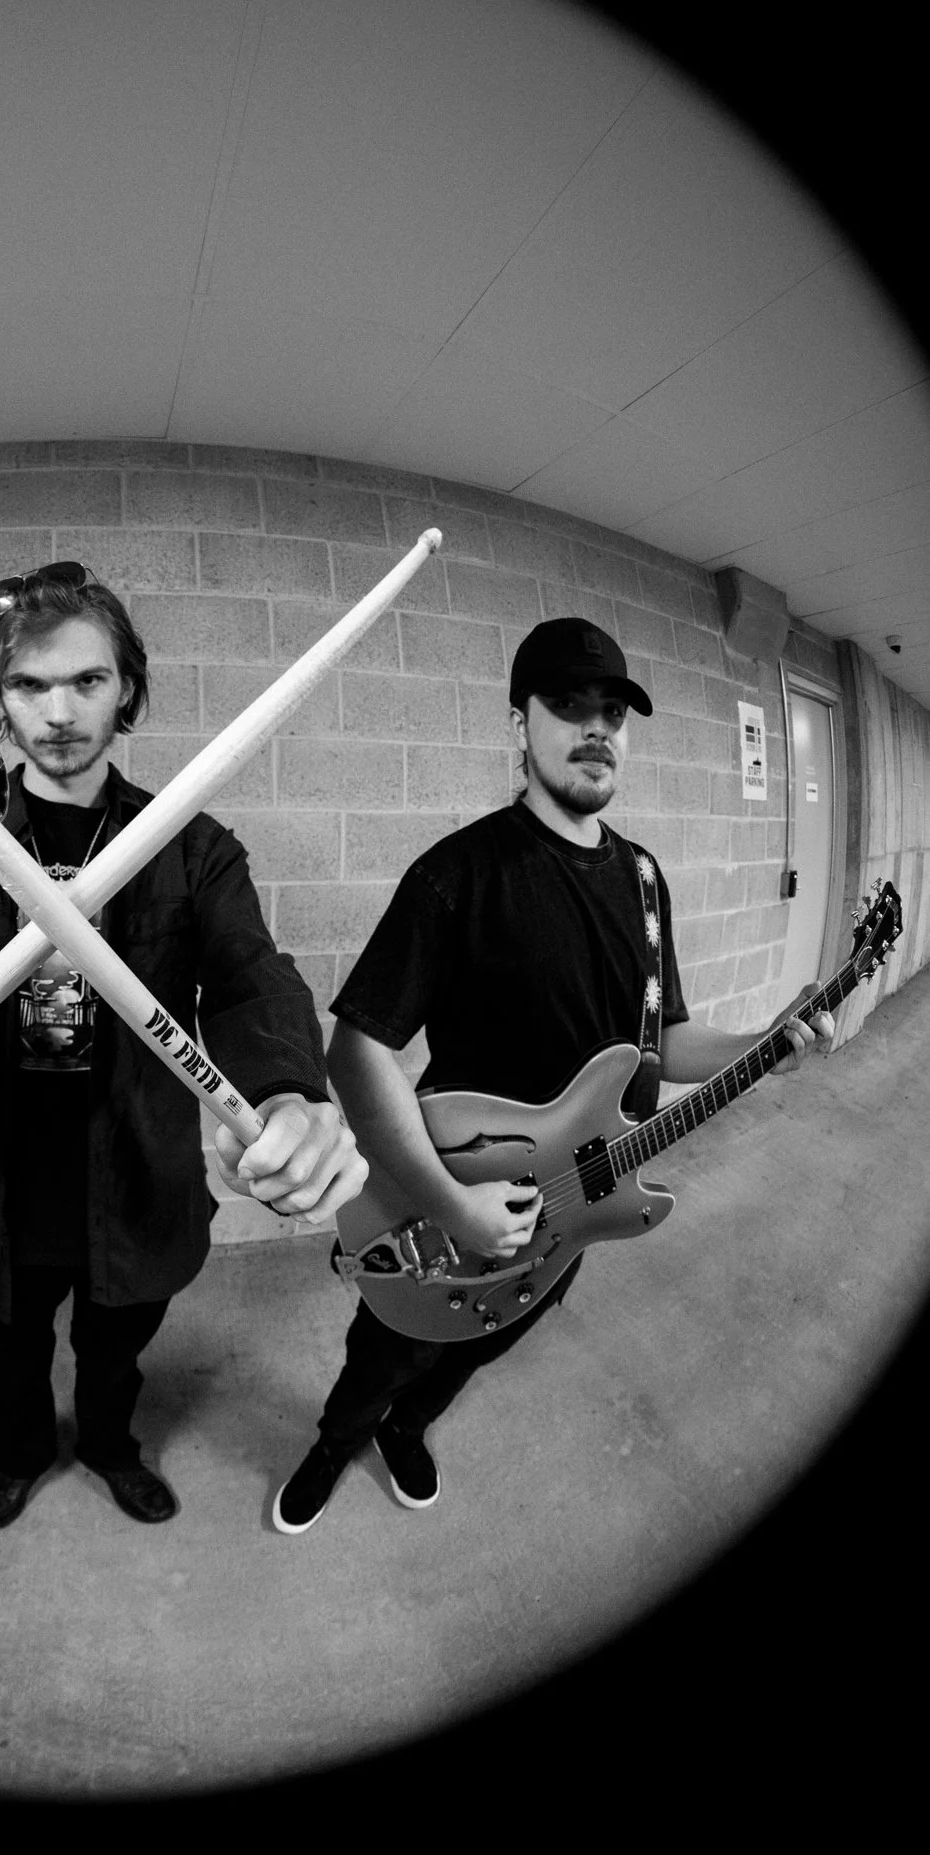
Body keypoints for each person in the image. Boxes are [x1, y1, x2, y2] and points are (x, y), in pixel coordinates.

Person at [0, 562, 365, 1528]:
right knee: (9, 1352)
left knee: (119, 1346)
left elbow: (255, 978)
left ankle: (113, 1447)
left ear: (126, 686)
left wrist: (291, 1091)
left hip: (135, 1166)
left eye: (86, 680)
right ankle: (23, 1451)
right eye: (30, 685)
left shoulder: (194, 848)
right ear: (0, 701)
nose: (58, 712)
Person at [273, 616, 835, 1534]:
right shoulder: (459, 874)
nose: (595, 728)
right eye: (567, 706)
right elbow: (358, 1052)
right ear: (518, 724)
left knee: (482, 1345)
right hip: (449, 1199)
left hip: (577, 1206)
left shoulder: (647, 882)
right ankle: (337, 1444)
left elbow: (666, 1042)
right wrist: (455, 1209)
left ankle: (408, 1432)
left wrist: (766, 1039)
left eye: (612, 710)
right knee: (389, 1347)